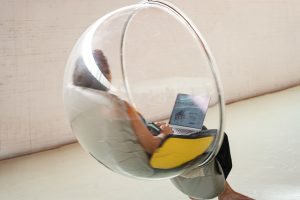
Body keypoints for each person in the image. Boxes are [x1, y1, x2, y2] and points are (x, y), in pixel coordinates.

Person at [73, 49, 253, 200]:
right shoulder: (119, 106)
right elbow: (152, 145)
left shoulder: (88, 104)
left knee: (190, 113)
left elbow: (130, 136)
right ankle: (226, 193)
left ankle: (203, 192)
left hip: (132, 157)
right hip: (153, 154)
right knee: (216, 137)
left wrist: (152, 129)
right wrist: (164, 133)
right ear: (105, 75)